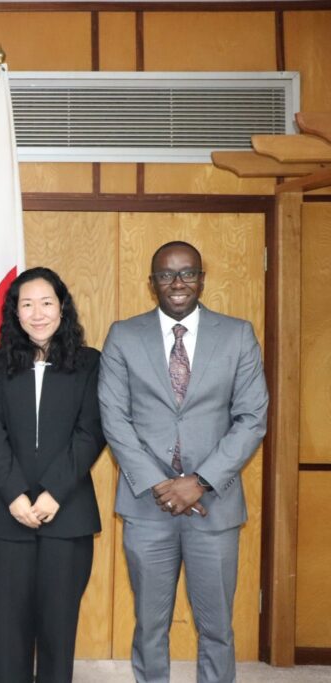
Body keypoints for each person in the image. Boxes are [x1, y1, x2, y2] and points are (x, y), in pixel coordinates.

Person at [99, 241, 268, 683]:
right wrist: (161, 484)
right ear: (152, 283)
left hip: (214, 506)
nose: (177, 283)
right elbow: (114, 419)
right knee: (151, 626)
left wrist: (201, 481)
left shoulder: (237, 334)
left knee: (216, 629)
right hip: (146, 508)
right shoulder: (123, 334)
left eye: (188, 273)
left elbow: (252, 419)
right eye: (166, 275)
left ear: (202, 278)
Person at [0, 266, 106, 683]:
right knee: (9, 627)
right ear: (14, 312)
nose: (37, 313)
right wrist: (15, 494)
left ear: (62, 308)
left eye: (46, 303)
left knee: (58, 625)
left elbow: (91, 432)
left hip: (67, 512)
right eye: (26, 304)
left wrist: (52, 493)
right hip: (7, 512)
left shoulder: (89, 362)